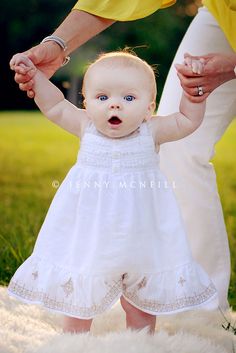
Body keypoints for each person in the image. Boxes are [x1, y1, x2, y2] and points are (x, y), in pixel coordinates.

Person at [10, 1, 236, 311]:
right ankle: (75, 335)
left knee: (143, 293)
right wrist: (40, 70)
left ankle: (169, 321)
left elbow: (187, 122)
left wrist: (194, 96)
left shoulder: (151, 131)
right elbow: (55, 106)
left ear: (149, 109)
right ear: (86, 103)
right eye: (102, 97)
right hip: (90, 232)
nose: (114, 105)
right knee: (80, 284)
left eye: (128, 98)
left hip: (142, 235)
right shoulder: (86, 125)